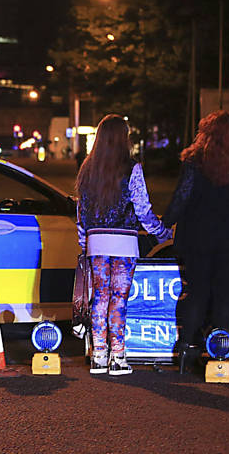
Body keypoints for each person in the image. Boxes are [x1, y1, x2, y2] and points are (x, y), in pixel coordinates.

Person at [162, 111, 229, 373]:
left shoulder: (194, 161)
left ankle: (185, 351)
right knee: (225, 294)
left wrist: (164, 222)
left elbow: (181, 198)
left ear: (204, 133)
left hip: (198, 237)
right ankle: (220, 353)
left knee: (197, 292)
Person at [75, 114, 171, 376]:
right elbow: (143, 209)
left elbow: (81, 211)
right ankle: (118, 357)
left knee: (100, 296)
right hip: (125, 242)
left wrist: (85, 243)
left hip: (96, 241)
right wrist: (161, 232)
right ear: (123, 138)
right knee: (119, 298)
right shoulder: (132, 168)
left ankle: (98, 356)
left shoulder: (87, 169)